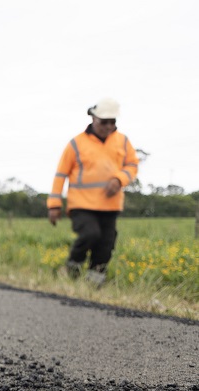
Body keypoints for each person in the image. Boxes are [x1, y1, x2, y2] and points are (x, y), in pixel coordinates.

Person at [48, 98, 139, 286]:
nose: (108, 126)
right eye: (104, 122)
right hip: (82, 204)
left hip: (110, 205)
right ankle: (72, 267)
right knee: (90, 234)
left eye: (112, 122)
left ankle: (93, 284)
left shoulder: (122, 142)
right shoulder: (76, 143)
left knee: (106, 244)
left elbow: (132, 165)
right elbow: (60, 174)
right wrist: (54, 204)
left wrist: (119, 179)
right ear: (93, 119)